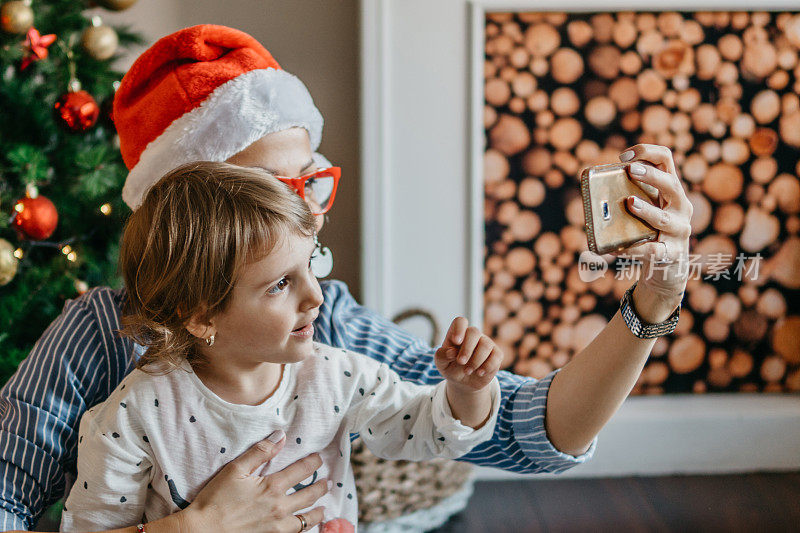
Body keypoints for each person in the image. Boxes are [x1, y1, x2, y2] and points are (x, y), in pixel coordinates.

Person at [0, 24, 693, 532]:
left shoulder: (325, 330)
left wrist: (648, 306)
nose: (307, 211)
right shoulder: (104, 344)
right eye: (272, 188)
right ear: (188, 212)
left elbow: (522, 430)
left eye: (311, 178)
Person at [59, 161, 502, 532]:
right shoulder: (135, 416)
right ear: (199, 316)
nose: (316, 296)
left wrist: (468, 390)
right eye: (280, 285)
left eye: (309, 264)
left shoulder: (337, 376)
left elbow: (429, 431)